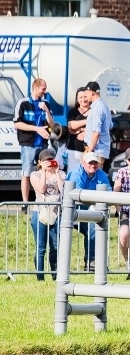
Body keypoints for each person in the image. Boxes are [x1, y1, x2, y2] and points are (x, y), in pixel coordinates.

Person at [66, 152, 111, 270]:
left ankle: (95, 262)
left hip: (92, 212)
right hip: (71, 212)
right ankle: (90, 260)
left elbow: (108, 191)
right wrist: (96, 199)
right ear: (83, 162)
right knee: (93, 229)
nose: (93, 165)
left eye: (95, 162)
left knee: (96, 228)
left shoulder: (101, 174)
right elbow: (78, 195)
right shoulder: (76, 174)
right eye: (90, 162)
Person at [14, 78, 55, 206]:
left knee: (46, 170)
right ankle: (25, 203)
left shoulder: (45, 104)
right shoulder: (23, 103)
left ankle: (44, 200)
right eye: (43, 88)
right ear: (35, 88)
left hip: (42, 144)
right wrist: (36, 129)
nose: (45, 91)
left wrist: (47, 111)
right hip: (28, 144)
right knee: (26, 173)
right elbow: (17, 124)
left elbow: (52, 125)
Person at [29, 148, 65, 281]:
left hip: (57, 214)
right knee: (41, 248)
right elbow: (41, 189)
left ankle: (55, 276)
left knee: (55, 247)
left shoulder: (61, 174)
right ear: (40, 162)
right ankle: (40, 278)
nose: (49, 163)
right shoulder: (35, 175)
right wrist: (44, 172)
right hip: (40, 213)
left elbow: (64, 191)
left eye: (51, 160)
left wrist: (57, 173)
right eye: (46, 161)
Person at [84, 81, 112, 170]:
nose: (85, 95)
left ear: (92, 92)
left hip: (96, 151)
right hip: (102, 150)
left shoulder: (97, 108)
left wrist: (90, 151)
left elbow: (96, 132)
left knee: (94, 178)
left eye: (86, 93)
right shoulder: (104, 106)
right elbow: (110, 125)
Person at [66, 86, 91, 174]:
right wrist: (87, 121)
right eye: (80, 97)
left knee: (88, 173)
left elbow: (96, 128)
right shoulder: (73, 112)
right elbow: (71, 125)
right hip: (74, 150)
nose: (83, 99)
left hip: (89, 150)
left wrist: (83, 131)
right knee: (73, 174)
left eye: (85, 97)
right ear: (77, 99)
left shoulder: (95, 111)